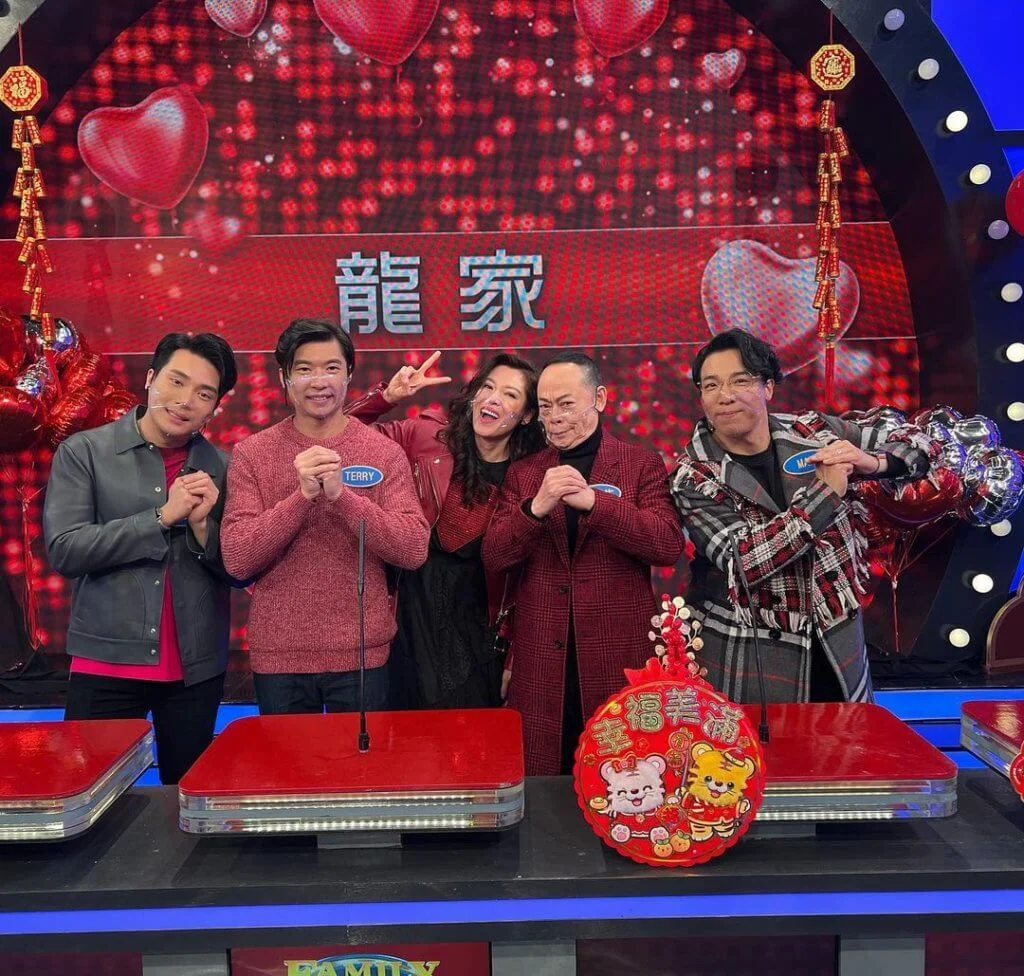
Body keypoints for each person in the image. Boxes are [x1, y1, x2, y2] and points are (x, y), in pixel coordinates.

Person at [670, 328, 935, 705]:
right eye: (710, 385)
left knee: (847, 739)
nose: (725, 395)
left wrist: (874, 462)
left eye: (740, 381)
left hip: (838, 646)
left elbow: (921, 443)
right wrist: (825, 493)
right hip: (749, 653)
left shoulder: (813, 430)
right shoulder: (692, 474)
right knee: (759, 744)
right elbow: (745, 561)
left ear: (768, 387)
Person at [44, 332, 239, 785]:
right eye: (176, 381)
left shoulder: (224, 467)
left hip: (195, 669)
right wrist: (161, 517)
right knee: (92, 792)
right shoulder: (85, 453)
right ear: (151, 378)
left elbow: (239, 570)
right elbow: (66, 549)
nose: (185, 401)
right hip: (105, 661)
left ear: (214, 408)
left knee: (186, 796)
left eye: (204, 394)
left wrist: (203, 528)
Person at [482, 352, 686, 775]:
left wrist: (597, 504)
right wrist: (535, 508)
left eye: (566, 404)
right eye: (546, 406)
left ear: (600, 399)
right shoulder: (524, 473)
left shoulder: (639, 463)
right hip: (542, 656)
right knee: (543, 776)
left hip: (618, 652)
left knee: (626, 775)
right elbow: (495, 556)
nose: (555, 418)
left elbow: (667, 545)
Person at [220, 318, 429, 715]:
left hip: (362, 654)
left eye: (331, 368)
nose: (319, 381)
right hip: (279, 656)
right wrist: (301, 497)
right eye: (304, 369)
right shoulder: (252, 453)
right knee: (286, 758)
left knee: (363, 758)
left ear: (349, 374)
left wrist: (341, 497)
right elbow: (238, 558)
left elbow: (413, 548)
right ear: (284, 378)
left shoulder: (382, 452)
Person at [346, 351, 546, 709]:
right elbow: (339, 436)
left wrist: (516, 658)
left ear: (527, 415)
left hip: (479, 629)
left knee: (469, 732)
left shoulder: (531, 477)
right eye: (487, 387)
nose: (493, 399)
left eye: (510, 394)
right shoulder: (426, 436)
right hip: (410, 613)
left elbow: (529, 581)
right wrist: (386, 397)